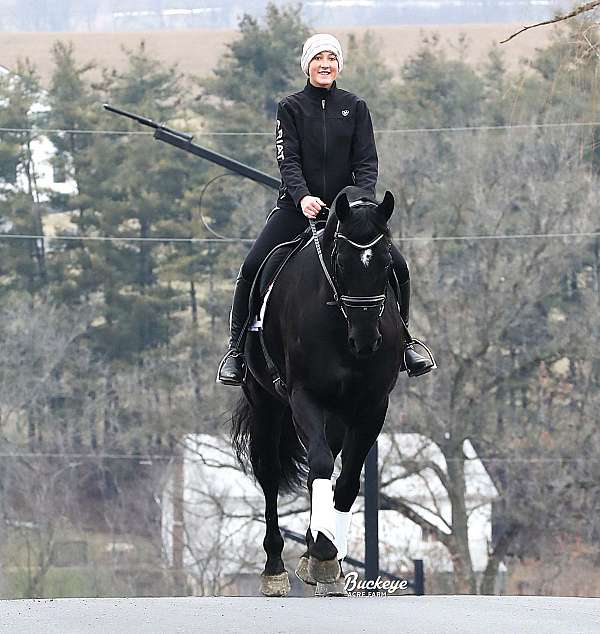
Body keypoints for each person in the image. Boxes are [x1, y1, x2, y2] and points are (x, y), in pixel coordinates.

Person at [217, 33, 435, 386]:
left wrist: (358, 199)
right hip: (296, 208)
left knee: (397, 264)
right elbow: (288, 160)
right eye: (318, 58)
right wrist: (302, 196)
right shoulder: (290, 107)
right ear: (307, 65)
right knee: (253, 265)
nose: (325, 64)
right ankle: (237, 352)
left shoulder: (355, 106)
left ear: (338, 65)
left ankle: (406, 342)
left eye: (331, 58)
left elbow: (367, 161)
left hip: (347, 212)